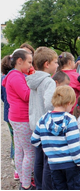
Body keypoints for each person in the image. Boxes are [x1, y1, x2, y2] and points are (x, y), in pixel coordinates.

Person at [31, 85, 80, 190]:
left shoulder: (43, 119)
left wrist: (49, 145)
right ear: (68, 103)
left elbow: (34, 140)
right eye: (72, 105)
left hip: (54, 165)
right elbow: (74, 147)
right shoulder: (70, 120)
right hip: (71, 165)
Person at [26, 46, 59, 190]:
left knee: (38, 159)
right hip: (46, 126)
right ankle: (47, 187)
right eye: (56, 62)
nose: (57, 65)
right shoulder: (49, 81)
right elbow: (50, 104)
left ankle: (39, 186)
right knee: (48, 160)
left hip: (35, 125)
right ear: (47, 64)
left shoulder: (33, 80)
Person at [2, 49, 35, 190]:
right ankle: (27, 184)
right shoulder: (16, 76)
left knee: (21, 150)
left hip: (16, 117)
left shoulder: (15, 75)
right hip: (22, 118)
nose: (30, 65)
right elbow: (27, 96)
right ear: (19, 61)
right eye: (29, 62)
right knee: (30, 152)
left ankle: (23, 180)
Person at [1, 55, 18, 180]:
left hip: (8, 114)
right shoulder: (16, 78)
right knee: (17, 141)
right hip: (15, 114)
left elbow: (2, 98)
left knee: (13, 139)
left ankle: (15, 162)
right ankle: (17, 164)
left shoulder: (3, 79)